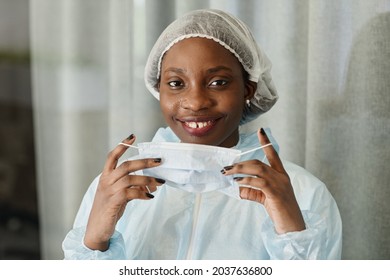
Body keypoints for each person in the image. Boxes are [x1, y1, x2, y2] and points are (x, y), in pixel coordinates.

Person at [62, 9, 342, 260]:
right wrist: (95, 240)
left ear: (249, 89)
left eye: (218, 82)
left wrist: (293, 234)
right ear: (159, 90)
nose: (195, 102)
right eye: (176, 83)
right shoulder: (116, 187)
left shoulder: (304, 193)